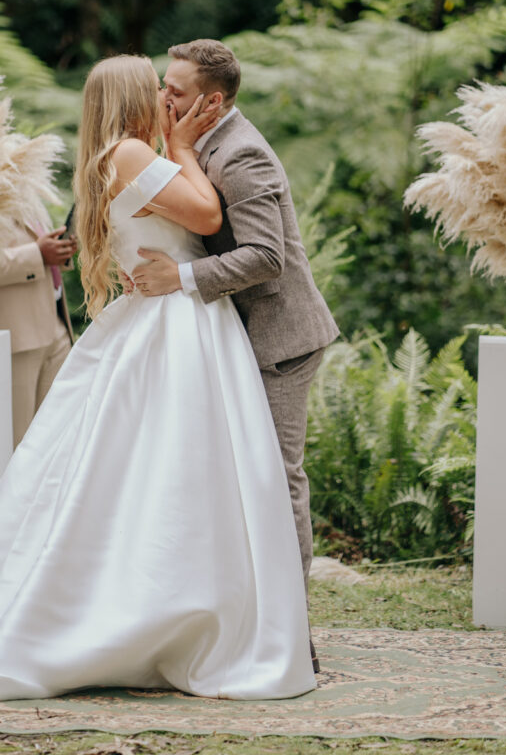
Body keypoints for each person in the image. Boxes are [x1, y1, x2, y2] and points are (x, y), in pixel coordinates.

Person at [0, 55, 316, 702]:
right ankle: (161, 617)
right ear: (131, 97)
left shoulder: (116, 155)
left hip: (180, 320)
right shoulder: (130, 154)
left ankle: (208, 605)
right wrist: (181, 144)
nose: (164, 95)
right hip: (173, 325)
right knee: (172, 469)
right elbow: (207, 218)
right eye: (155, 87)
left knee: (183, 472)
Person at [131, 39, 339, 671]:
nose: (163, 98)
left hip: (279, 342)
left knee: (276, 481)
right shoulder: (193, 144)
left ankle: (291, 632)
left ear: (211, 100)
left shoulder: (242, 153)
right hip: (229, 339)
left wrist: (181, 280)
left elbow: (267, 257)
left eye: (175, 91)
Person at [0, 222, 76, 447]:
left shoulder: (30, 191)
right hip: (16, 339)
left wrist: (60, 250)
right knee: (20, 442)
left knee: (59, 437)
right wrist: (36, 254)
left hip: (56, 330)